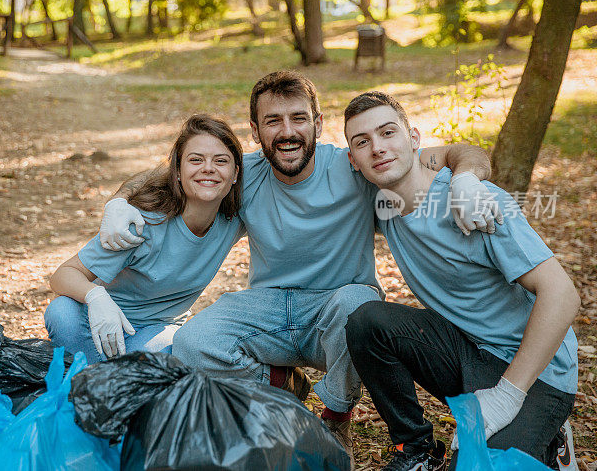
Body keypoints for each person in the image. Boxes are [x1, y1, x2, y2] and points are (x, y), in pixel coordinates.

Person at [98, 71, 499, 466]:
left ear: (318, 123)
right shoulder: (243, 174)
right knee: (193, 342)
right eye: (273, 121)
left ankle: (336, 418)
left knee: (359, 303)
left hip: (337, 315)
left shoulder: (354, 166)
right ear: (255, 131)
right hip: (268, 308)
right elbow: (161, 178)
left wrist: (466, 181)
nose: (287, 131)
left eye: (298, 118)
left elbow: (460, 153)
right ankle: (279, 392)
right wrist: (117, 203)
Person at [342, 91, 579, 470]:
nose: (378, 148)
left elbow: (563, 294)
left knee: (481, 466)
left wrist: (507, 396)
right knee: (367, 321)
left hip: (536, 369)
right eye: (362, 142)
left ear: (415, 139)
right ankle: (415, 450)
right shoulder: (383, 201)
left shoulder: (474, 202)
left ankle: (547, 435)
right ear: (353, 160)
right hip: (467, 349)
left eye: (388, 133)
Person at [45, 114, 246, 363]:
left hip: (156, 333)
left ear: (236, 173)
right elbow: (63, 274)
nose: (208, 168)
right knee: (61, 312)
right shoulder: (144, 222)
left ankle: (98, 380)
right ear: (178, 172)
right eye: (195, 160)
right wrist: (96, 298)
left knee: (159, 354)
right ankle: (103, 381)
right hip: (101, 323)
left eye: (220, 161)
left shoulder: (235, 218)